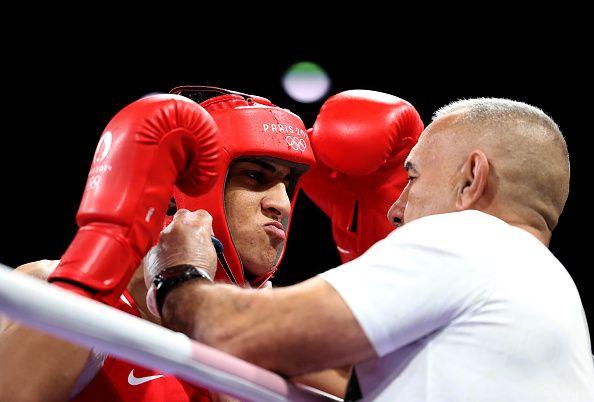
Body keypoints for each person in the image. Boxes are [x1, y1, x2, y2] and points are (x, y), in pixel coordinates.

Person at [147, 98, 594, 401]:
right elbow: (334, 378)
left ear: (471, 178)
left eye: (413, 177)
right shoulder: (548, 287)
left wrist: (179, 274)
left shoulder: (470, 239)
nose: (395, 210)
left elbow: (242, 335)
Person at [0, 86, 321, 401]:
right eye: (253, 176)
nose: (282, 204)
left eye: (287, 184)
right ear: (176, 190)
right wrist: (106, 245)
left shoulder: (281, 331)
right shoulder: (45, 285)